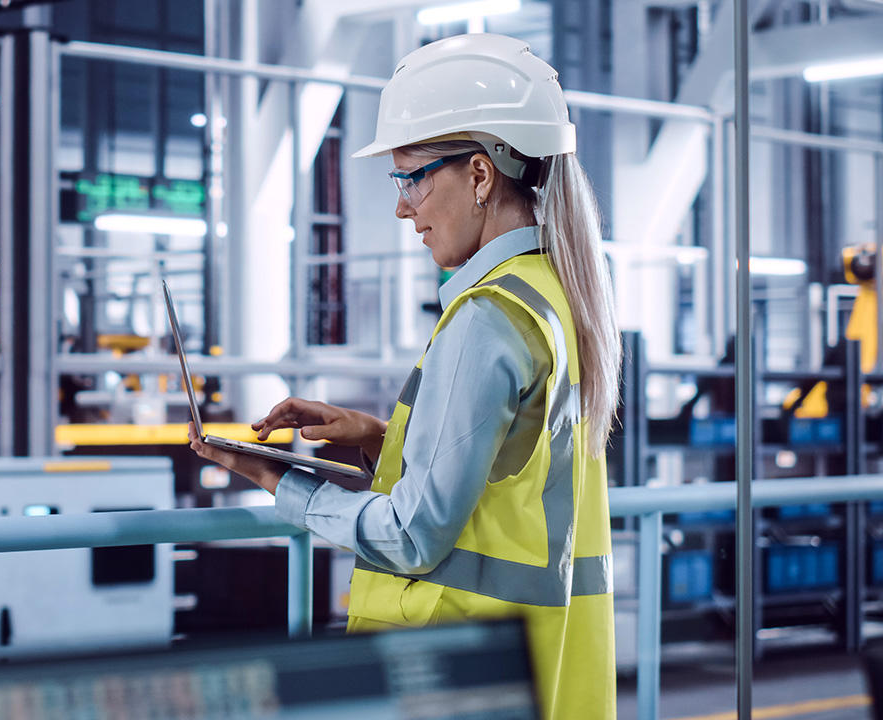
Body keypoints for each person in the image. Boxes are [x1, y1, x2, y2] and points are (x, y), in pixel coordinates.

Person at [188, 33, 619, 719]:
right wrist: (376, 435)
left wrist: (283, 483)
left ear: (480, 175)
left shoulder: (489, 316)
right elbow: (509, 472)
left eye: (412, 177)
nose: (402, 207)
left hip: (457, 666)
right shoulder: (555, 293)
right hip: (541, 661)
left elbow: (415, 536)